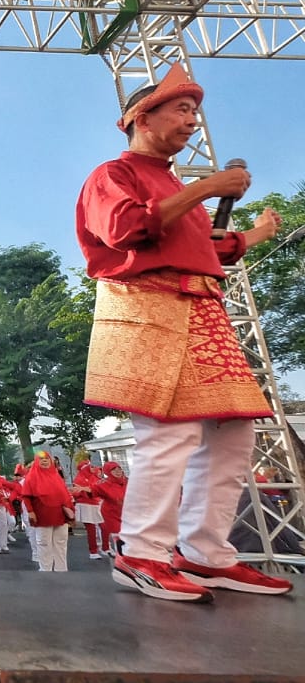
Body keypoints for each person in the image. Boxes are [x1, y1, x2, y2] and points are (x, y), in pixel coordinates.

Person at [76, 64, 292, 602]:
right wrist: (208, 188)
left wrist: (256, 233)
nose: (193, 120)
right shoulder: (113, 174)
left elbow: (206, 247)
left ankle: (205, 553)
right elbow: (126, 229)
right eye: (182, 109)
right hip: (150, 304)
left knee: (233, 432)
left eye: (195, 111)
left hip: (202, 309)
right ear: (140, 118)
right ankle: (141, 553)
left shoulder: (175, 186)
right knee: (168, 432)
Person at [21, 451, 75, 572]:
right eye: (41, 459)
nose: (44, 461)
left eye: (47, 459)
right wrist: (30, 511)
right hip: (42, 515)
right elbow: (26, 496)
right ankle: (45, 570)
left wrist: (70, 511)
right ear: (36, 462)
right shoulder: (32, 477)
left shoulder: (56, 476)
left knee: (61, 543)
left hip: (60, 515)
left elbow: (65, 494)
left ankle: (61, 569)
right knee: (44, 543)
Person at [72, 457, 108, 559]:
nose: (93, 468)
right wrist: (87, 491)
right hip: (86, 506)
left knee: (104, 527)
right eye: (90, 466)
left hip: (97, 504)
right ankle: (93, 551)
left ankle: (104, 547)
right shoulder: (78, 479)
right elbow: (77, 493)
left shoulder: (95, 477)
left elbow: (99, 489)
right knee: (91, 529)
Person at [89, 461, 127, 555]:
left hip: (127, 513)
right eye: (114, 470)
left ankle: (128, 559)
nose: (118, 471)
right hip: (112, 514)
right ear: (108, 472)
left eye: (119, 469)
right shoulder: (104, 483)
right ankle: (121, 558)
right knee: (120, 538)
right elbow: (92, 491)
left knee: (131, 538)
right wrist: (82, 490)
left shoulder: (127, 481)